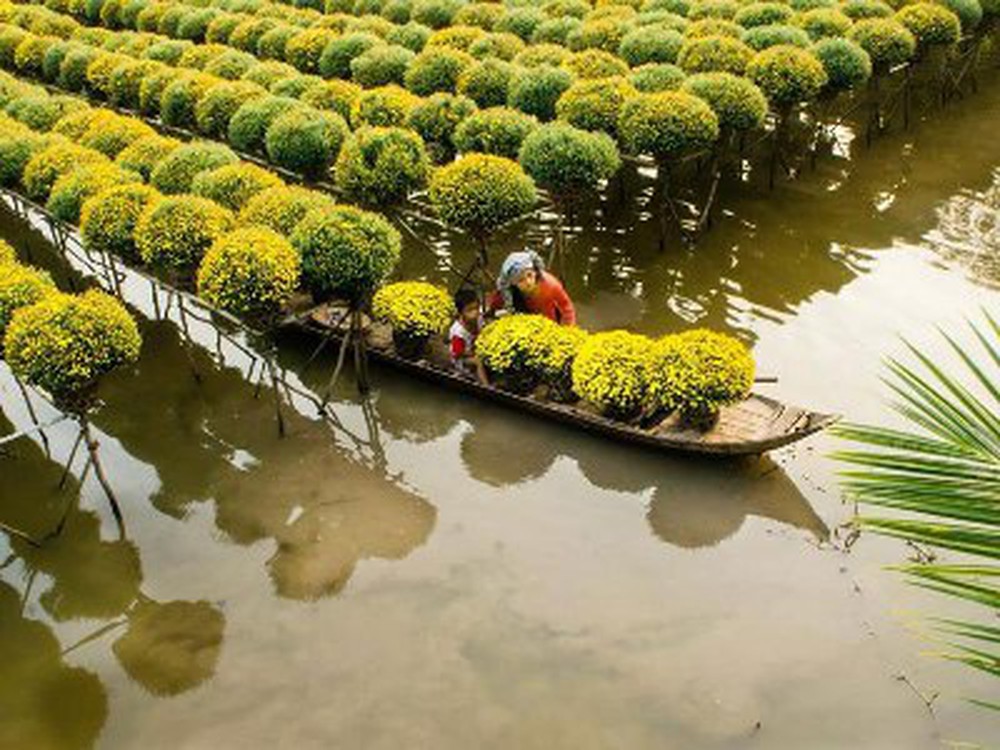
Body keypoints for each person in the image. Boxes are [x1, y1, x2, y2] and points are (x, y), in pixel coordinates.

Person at [491, 250, 576, 325]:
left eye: (529, 275)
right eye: (521, 280)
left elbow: (566, 307)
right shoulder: (507, 293)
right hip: (522, 326)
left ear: (535, 272)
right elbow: (494, 308)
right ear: (513, 283)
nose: (528, 282)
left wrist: (568, 329)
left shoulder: (551, 285)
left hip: (548, 322)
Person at [449, 287, 487, 382]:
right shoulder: (458, 332)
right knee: (478, 362)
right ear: (460, 313)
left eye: (476, 308)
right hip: (463, 357)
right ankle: (486, 385)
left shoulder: (479, 317)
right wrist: (474, 352)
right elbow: (458, 353)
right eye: (469, 310)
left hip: (476, 348)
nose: (475, 312)